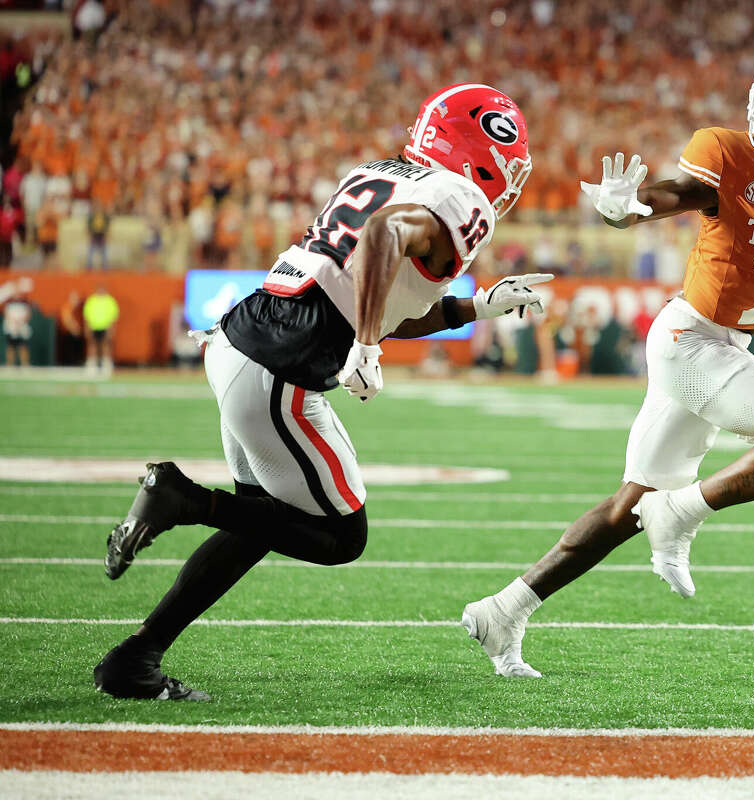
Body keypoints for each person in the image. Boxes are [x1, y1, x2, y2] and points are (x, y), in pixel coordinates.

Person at [93, 83, 550, 701]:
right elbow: (386, 241)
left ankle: (136, 657)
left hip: (245, 338)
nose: (511, 174)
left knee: (263, 521)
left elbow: (382, 294)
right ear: (479, 145)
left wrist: (478, 307)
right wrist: (364, 345)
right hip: (284, 364)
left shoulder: (382, 171)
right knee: (341, 535)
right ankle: (179, 498)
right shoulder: (460, 195)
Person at [462, 44, 754, 678]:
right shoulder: (727, 150)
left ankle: (505, 609)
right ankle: (680, 511)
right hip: (690, 338)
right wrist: (629, 207)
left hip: (726, 345)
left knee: (624, 509)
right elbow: (678, 192)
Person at [82, 285, 119, 375]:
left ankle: (106, 364)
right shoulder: (91, 301)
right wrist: (87, 327)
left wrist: (112, 328)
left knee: (105, 344)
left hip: (105, 326)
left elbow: (114, 316)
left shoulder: (110, 301)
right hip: (93, 326)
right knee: (92, 344)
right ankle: (92, 364)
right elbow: (86, 315)